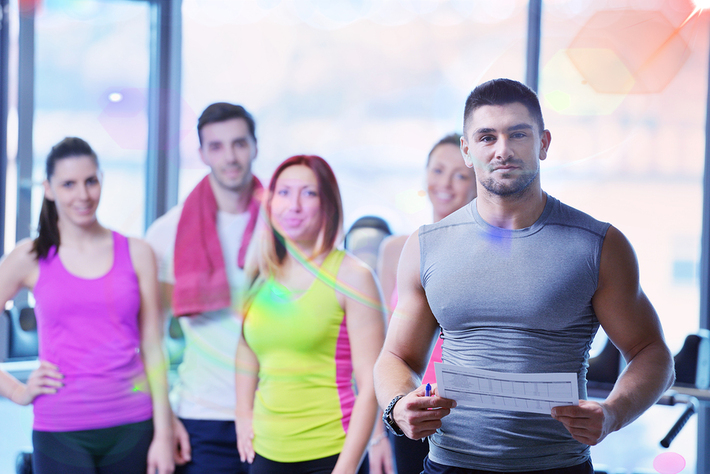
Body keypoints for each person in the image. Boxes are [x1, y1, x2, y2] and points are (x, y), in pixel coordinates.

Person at [373, 78, 675, 473]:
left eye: (518, 134)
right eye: (486, 137)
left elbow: (652, 353)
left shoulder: (597, 245)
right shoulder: (427, 245)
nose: (502, 150)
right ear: (467, 149)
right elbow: (396, 356)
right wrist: (397, 406)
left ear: (543, 143)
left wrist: (613, 413)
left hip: (556, 466)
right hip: (450, 464)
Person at [0, 137, 174, 474]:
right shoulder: (30, 256)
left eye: (90, 181)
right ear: (49, 189)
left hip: (133, 425)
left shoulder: (137, 253)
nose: (83, 195)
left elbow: (153, 346)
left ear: (101, 180)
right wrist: (17, 391)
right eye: (69, 184)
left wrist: (164, 433)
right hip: (60, 430)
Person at [235, 155, 386, 474]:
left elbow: (371, 383)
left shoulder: (352, 276)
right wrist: (242, 413)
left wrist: (346, 468)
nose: (294, 205)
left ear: (328, 204)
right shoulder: (262, 272)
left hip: (330, 452)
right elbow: (247, 348)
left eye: (309, 193)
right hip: (265, 452)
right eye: (284, 192)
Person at [145, 102, 262, 474]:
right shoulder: (167, 233)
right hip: (201, 416)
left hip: (277, 411)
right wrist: (163, 425)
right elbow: (152, 338)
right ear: (201, 153)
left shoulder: (285, 225)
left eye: (239, 143)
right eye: (216, 146)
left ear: (255, 146)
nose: (230, 157)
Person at [376, 133, 476, 474]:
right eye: (437, 170)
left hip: (462, 412)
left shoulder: (484, 255)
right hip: (408, 407)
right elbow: (384, 350)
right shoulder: (396, 250)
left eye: (461, 175)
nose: (445, 183)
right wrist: (381, 426)